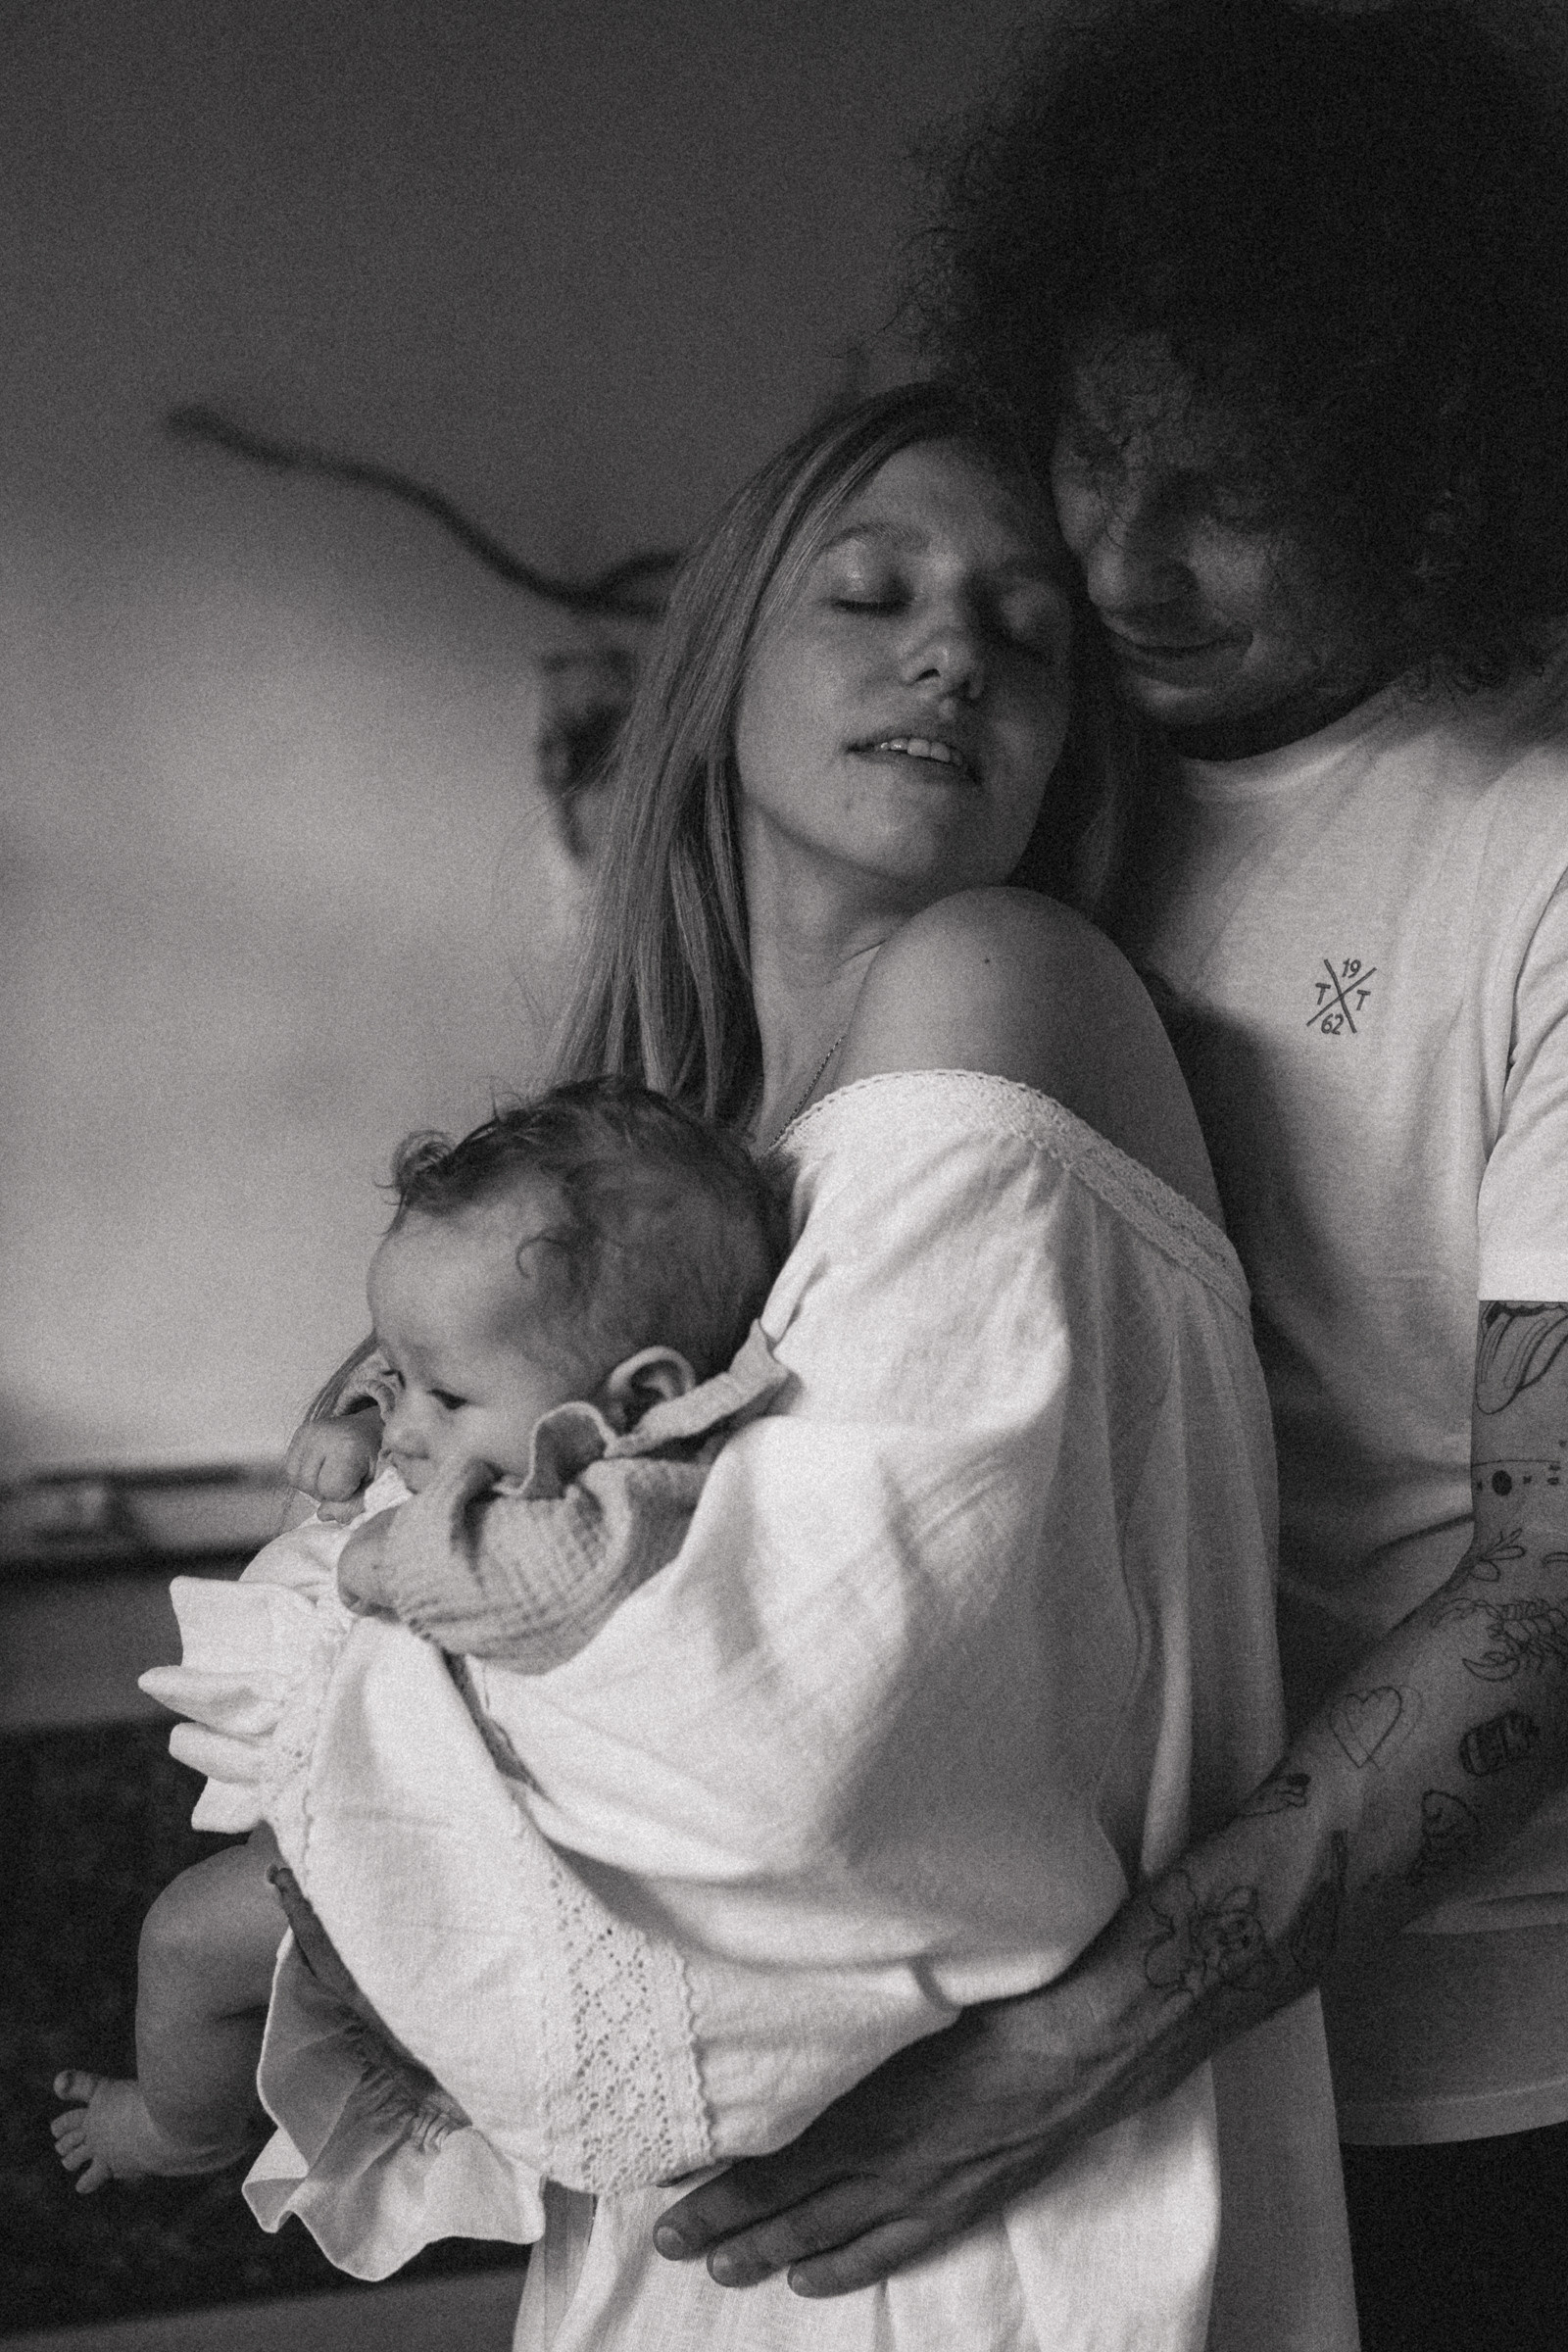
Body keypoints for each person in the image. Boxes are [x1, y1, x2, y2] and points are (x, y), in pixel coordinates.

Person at [123, 383, 1355, 2347]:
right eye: (870, 593)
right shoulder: (675, 1172)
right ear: (715, 675)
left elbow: (791, 1736)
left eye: (1026, 634)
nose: (951, 652)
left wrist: (297, 1863)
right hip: (730, 2241)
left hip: (1005, 2247)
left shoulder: (997, 970)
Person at [649, 9, 1568, 2348]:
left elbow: (1552, 1580)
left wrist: (1075, 2042)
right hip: (1012, 1998)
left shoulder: (1531, 831)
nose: (1126, 561)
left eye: (1230, 491)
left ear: (1432, 463)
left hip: (1461, 2069)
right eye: (1089, 452)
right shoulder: (1029, 760)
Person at [50, 1081, 787, 2203]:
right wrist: (360, 1425)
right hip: (367, 1811)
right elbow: (413, 1399)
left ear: (640, 1396)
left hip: (463, 1869)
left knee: (186, 1942)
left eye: (441, 1395)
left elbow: (521, 1586)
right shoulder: (522, 1419)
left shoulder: (620, 1506)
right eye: (395, 1380)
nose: (405, 1424)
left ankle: (173, 2128)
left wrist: (378, 1561)